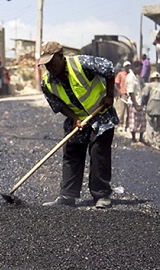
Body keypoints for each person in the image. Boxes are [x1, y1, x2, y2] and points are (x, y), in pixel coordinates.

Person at [39, 41, 118, 209]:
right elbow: (58, 105)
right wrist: (74, 118)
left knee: (98, 153)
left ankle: (102, 195)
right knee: (72, 152)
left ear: (61, 57)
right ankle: (67, 196)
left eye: (51, 62)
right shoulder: (46, 82)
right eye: (45, 64)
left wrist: (110, 95)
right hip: (78, 118)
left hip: (100, 114)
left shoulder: (82, 64)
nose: (49, 67)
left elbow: (109, 69)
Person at [126, 61, 147, 146]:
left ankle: (141, 138)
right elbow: (131, 92)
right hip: (134, 102)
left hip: (138, 101)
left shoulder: (136, 77)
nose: (141, 70)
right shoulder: (131, 77)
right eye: (140, 68)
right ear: (136, 67)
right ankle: (134, 139)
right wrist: (135, 104)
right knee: (134, 121)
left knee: (141, 121)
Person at [141, 71, 160, 149]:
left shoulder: (149, 85)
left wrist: (143, 104)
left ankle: (151, 141)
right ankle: (159, 142)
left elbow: (145, 95)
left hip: (151, 105)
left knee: (150, 123)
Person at [114, 61, 131, 132]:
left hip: (129, 94)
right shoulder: (120, 74)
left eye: (129, 66)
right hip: (123, 93)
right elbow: (116, 83)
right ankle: (120, 125)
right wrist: (119, 91)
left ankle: (127, 125)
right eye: (127, 66)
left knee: (129, 111)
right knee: (121, 110)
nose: (128, 67)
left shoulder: (131, 75)